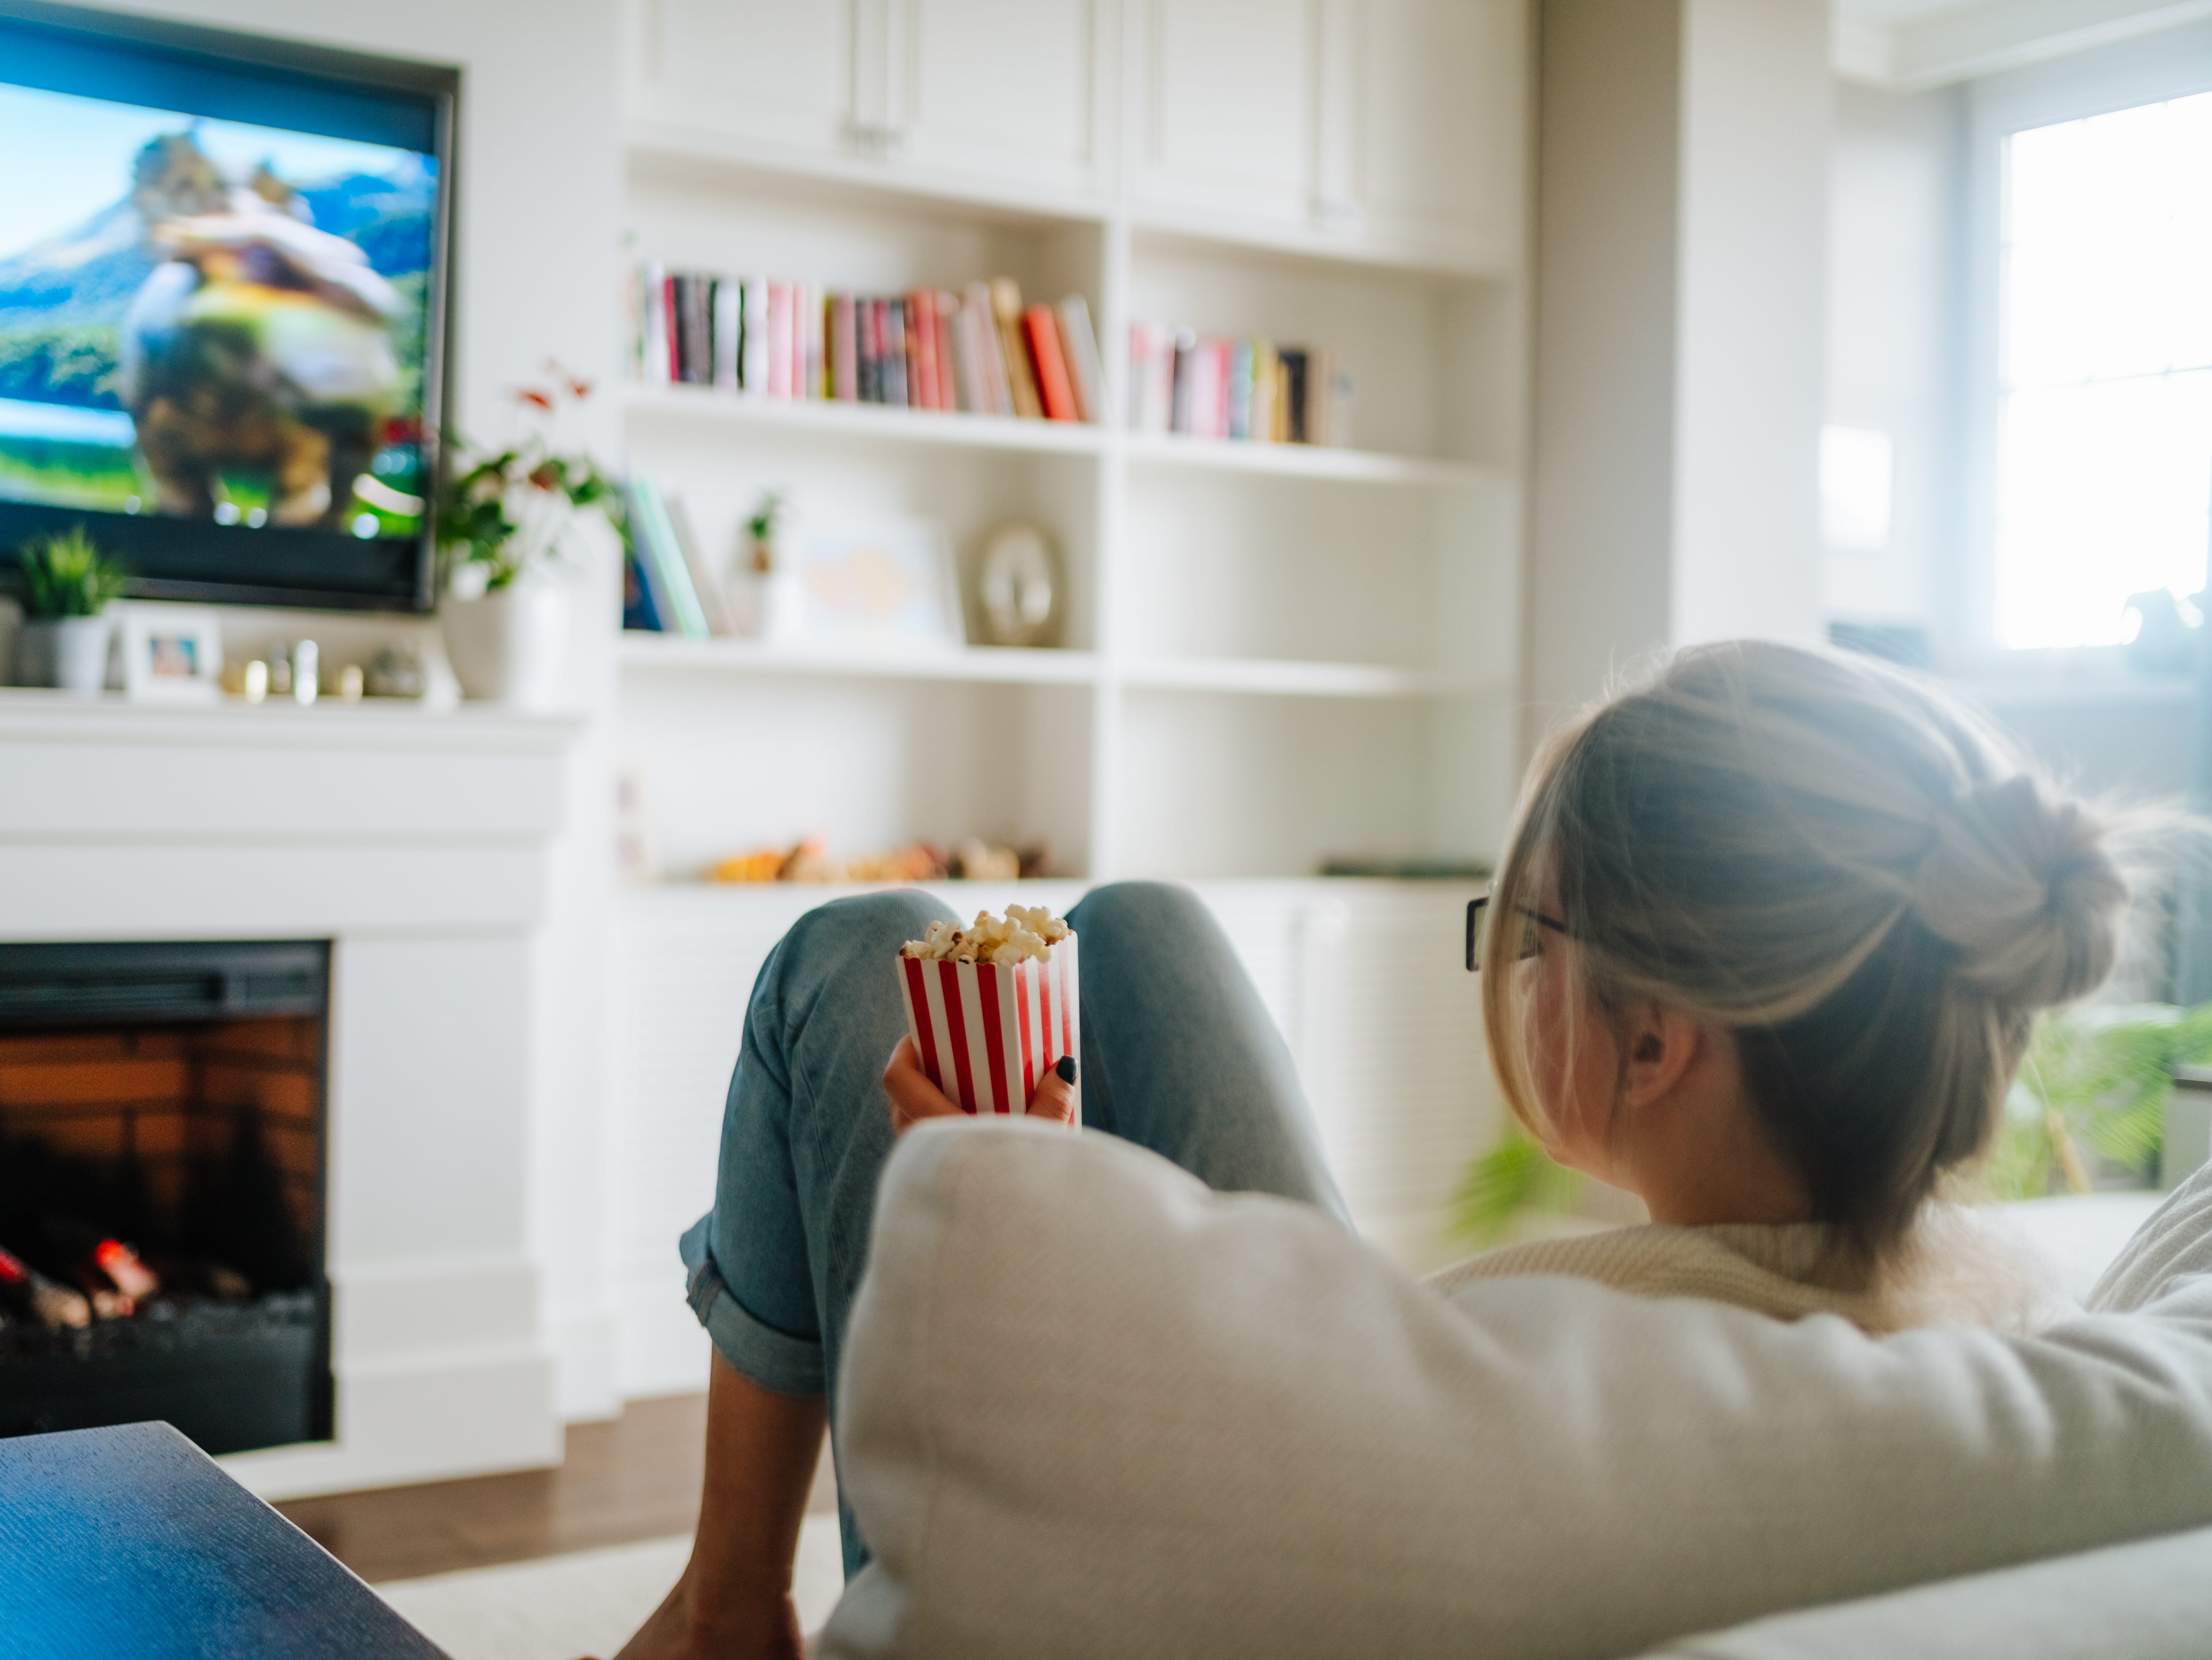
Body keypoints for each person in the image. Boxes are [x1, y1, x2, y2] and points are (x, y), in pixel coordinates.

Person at [609, 641, 2146, 1660]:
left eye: (1529, 936)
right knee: (1146, 931)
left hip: (1147, 1564)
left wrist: (1004, 1221)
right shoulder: (2033, 1330)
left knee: (857, 953)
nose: (1510, 970)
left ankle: (728, 1605)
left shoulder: (1528, 1358)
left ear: (1656, 1044)